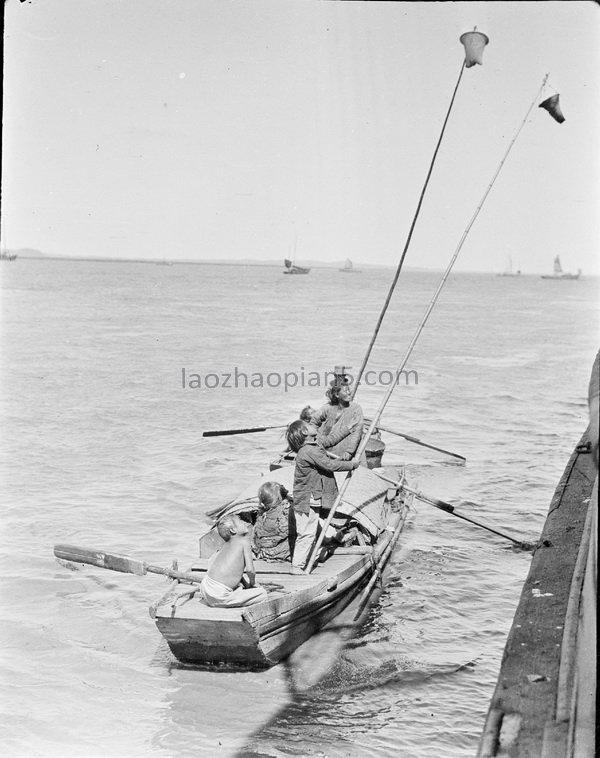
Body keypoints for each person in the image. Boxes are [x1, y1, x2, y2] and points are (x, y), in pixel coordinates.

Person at [286, 418, 359, 572]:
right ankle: (297, 567)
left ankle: (312, 557)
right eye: (308, 425)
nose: (313, 425)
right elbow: (330, 464)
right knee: (306, 533)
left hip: (312, 497)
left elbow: (330, 441)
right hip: (307, 498)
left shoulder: (314, 445)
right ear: (305, 433)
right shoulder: (309, 451)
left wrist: (347, 429)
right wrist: (352, 464)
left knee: (311, 530)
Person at [198, 514, 268, 607]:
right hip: (218, 595)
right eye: (240, 522)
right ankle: (228, 599)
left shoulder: (226, 545)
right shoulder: (244, 541)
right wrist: (252, 583)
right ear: (233, 530)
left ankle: (232, 594)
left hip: (205, 586)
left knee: (240, 587)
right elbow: (250, 571)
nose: (244, 523)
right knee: (262, 594)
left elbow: (235, 570)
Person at [312, 380, 365, 461]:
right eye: (345, 391)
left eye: (349, 390)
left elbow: (357, 433)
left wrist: (349, 453)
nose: (349, 393)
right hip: (326, 449)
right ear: (337, 394)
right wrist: (316, 440)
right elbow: (313, 422)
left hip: (345, 451)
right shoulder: (328, 407)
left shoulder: (356, 409)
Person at [252, 481, 295, 562]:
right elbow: (287, 531)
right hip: (277, 551)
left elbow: (257, 531)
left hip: (263, 549)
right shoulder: (283, 510)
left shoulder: (262, 511)